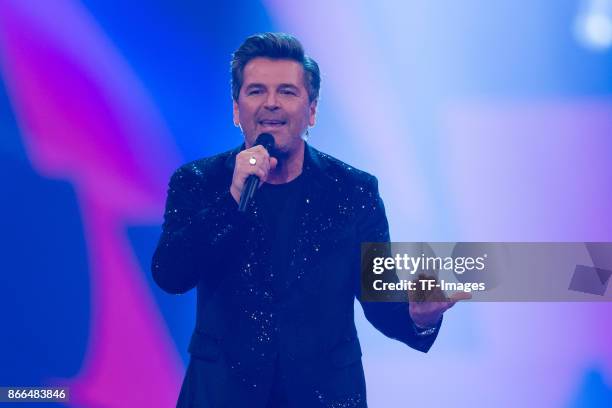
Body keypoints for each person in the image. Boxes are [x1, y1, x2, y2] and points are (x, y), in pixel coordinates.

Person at [152, 32, 467, 408]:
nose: (271, 103)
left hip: (325, 395)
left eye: (287, 91)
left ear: (312, 110)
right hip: (223, 393)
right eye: (255, 91)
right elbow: (171, 274)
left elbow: (380, 300)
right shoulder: (200, 182)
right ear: (236, 109)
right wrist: (232, 197)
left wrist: (418, 316)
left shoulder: (353, 190)